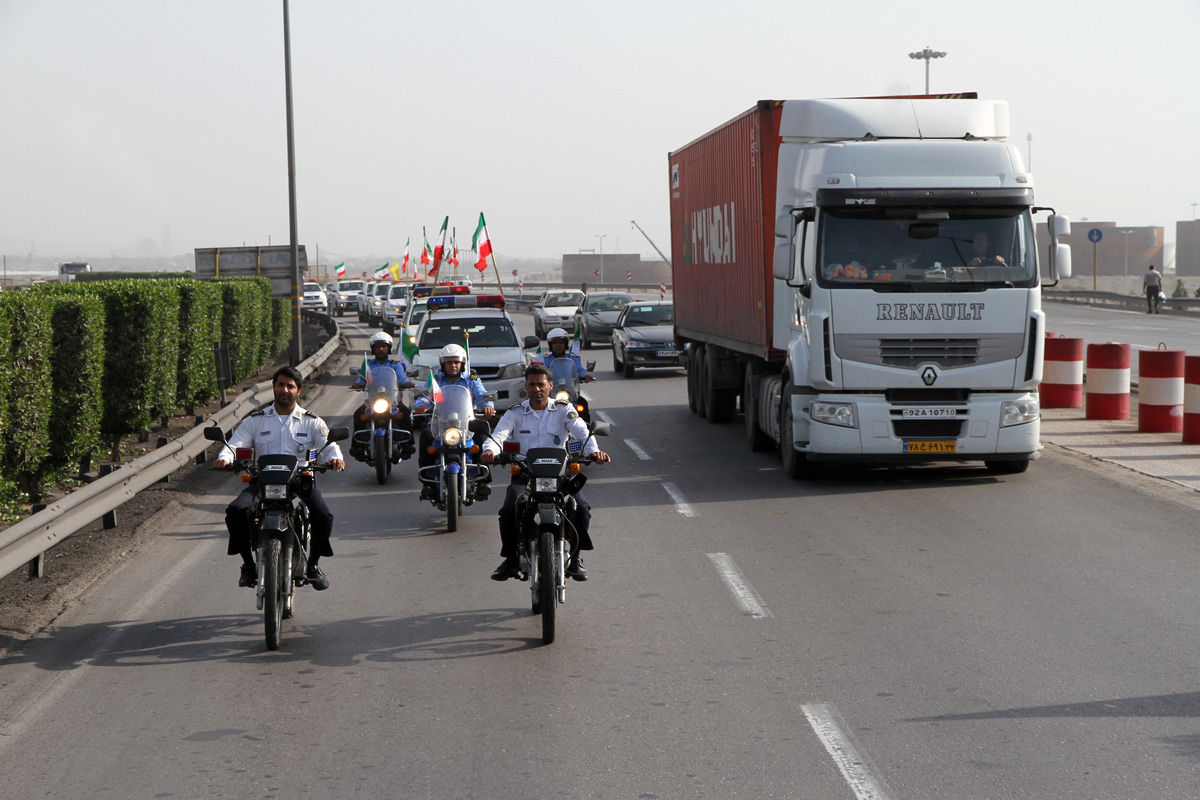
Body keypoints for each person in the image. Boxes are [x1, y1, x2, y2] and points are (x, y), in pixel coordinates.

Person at [214, 366, 345, 590]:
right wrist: (224, 459)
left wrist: (335, 459)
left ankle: (313, 564)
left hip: (299, 482)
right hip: (262, 482)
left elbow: (328, 445)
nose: (284, 390)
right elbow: (235, 444)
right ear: (274, 388)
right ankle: (247, 564)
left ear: (299, 390)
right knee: (236, 511)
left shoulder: (311, 421)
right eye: (280, 385)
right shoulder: (256, 420)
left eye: (290, 386)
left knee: (323, 515)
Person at [480, 363, 611, 582]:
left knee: (580, 507)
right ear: (526, 386)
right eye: (532, 385)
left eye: (541, 384)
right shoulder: (515, 412)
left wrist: (594, 452)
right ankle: (511, 559)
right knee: (509, 509)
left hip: (558, 475)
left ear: (550, 386)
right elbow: (498, 435)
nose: (536, 389)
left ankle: (576, 557)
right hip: (526, 474)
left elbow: (581, 430)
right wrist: (490, 451)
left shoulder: (564, 409)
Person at [413, 343, 496, 500]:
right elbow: (425, 397)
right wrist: (421, 406)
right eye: (449, 362)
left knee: (482, 437)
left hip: (466, 423)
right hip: (441, 423)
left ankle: (485, 481)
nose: (453, 366)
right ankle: (427, 483)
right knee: (425, 435)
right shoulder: (436, 380)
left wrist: (487, 407)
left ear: (462, 363)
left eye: (456, 362)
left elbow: (482, 395)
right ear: (443, 364)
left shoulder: (472, 380)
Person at [349, 331, 415, 461]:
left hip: (393, 401)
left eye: (383, 346)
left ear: (388, 348)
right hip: (373, 401)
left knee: (406, 414)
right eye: (377, 346)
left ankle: (408, 445)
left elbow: (401, 379)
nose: (380, 349)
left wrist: (407, 383)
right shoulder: (368, 364)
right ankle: (357, 447)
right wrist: (357, 385)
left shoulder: (395, 364)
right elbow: (361, 380)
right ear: (373, 348)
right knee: (358, 414)